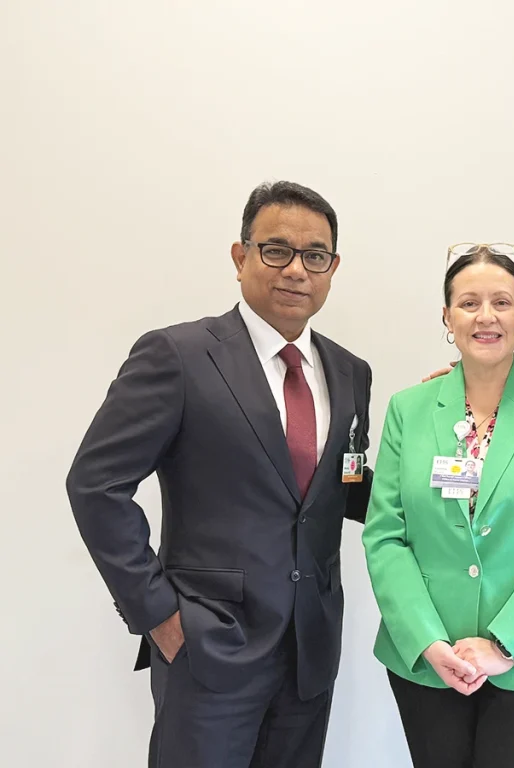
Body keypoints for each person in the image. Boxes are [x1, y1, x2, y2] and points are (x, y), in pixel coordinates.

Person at [66, 181, 373, 768]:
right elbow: (95, 483)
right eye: (275, 249)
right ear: (240, 257)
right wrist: (158, 613)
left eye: (316, 256)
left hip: (310, 650)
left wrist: (451, 435)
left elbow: (342, 486)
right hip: (208, 648)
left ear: (333, 268)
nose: (296, 270)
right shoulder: (178, 356)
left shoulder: (349, 371)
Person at [363, 243, 514, 768]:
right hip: (429, 657)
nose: (486, 316)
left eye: (502, 301)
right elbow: (385, 536)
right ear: (447, 317)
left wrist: (504, 643)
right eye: (469, 303)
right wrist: (426, 640)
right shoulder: (409, 409)